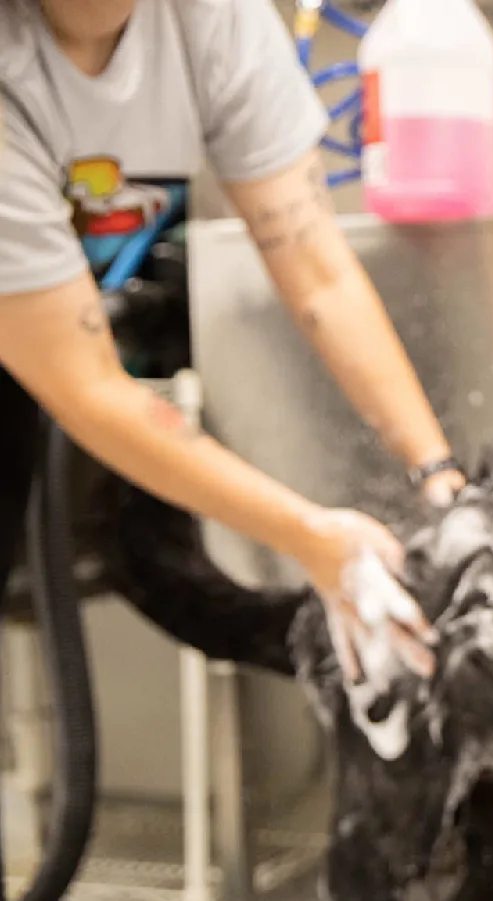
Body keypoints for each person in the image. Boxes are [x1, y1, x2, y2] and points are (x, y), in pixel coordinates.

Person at [0, 0, 462, 687]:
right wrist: (315, 539)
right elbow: (86, 386)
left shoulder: (212, 16)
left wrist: (438, 476)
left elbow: (317, 271)